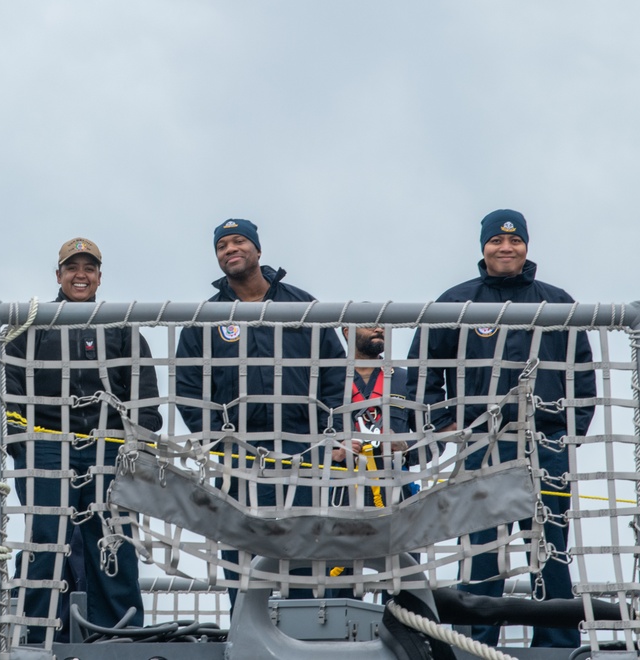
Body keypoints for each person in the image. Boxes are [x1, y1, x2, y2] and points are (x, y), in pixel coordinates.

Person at [406, 209, 595, 648]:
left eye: (514, 241)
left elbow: (582, 375)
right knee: (480, 553)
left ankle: (556, 644)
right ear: (483, 247)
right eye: (496, 241)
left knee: (549, 549)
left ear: (526, 245)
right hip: (481, 445)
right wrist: (441, 419)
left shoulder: (557, 302)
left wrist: (568, 434)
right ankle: (473, 644)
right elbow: (422, 370)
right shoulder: (457, 302)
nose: (505, 248)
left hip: (545, 445)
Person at [175, 218, 347, 607]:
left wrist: (327, 431)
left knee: (306, 546)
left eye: (239, 242)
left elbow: (335, 371)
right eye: (222, 246)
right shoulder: (206, 317)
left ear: (257, 249)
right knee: (243, 549)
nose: (230, 250)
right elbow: (187, 387)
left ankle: (307, 637)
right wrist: (214, 439)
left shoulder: (301, 305)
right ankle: (247, 636)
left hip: (304, 449)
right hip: (238, 453)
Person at [5, 237, 162, 643]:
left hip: (110, 448)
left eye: (88, 268)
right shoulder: (31, 324)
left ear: (99, 276)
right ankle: (36, 637)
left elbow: (144, 390)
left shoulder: (120, 325)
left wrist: (139, 446)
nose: (80, 275)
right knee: (43, 538)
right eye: (72, 268)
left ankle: (120, 637)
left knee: (114, 542)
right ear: (57, 275)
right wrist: (21, 443)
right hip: (45, 445)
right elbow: (9, 385)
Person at [337, 325, 416, 507]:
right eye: (369, 324)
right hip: (340, 493)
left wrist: (406, 448)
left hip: (396, 495)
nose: (379, 329)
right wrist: (332, 451)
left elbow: (434, 439)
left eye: (383, 325)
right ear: (347, 332)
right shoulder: (330, 381)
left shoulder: (405, 381)